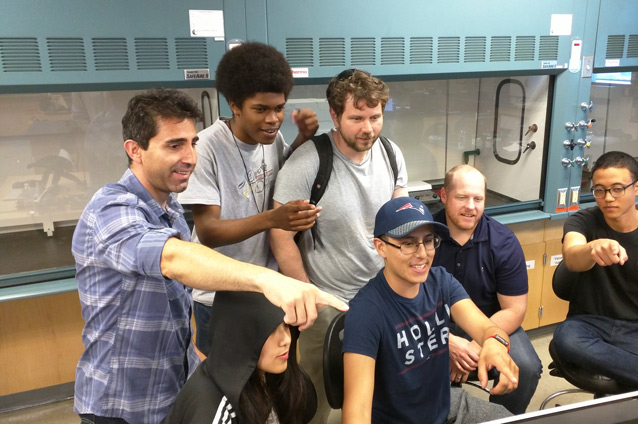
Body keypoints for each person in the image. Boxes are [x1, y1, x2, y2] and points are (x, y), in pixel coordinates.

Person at [72, 88, 347, 424]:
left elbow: (169, 308)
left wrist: (196, 358)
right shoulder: (110, 211)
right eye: (174, 145)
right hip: (122, 407)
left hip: (173, 391)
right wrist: (268, 279)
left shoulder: (169, 205)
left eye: (192, 143)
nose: (189, 157)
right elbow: (174, 259)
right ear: (135, 150)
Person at [270, 68, 408, 423]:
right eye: (357, 118)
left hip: (382, 299)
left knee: (380, 392)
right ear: (334, 115)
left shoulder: (391, 154)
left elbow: (401, 223)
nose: (368, 128)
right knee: (317, 402)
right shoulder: (308, 164)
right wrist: (308, 293)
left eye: (375, 117)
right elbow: (280, 235)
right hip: (328, 304)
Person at [178, 41, 321, 356]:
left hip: (264, 287)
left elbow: (276, 174)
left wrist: (301, 140)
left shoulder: (270, 138)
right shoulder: (206, 149)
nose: (272, 119)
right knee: (225, 389)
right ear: (234, 105)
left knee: (267, 381)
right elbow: (209, 232)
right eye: (261, 109)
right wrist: (273, 219)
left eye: (279, 108)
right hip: (219, 295)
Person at [342, 197, 517, 424]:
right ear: (381, 247)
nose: (423, 254)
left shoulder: (441, 282)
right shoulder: (366, 312)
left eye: (428, 241)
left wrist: (495, 343)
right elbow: (358, 411)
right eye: (408, 243)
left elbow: (488, 329)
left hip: (444, 408)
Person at [552, 151, 638, 390]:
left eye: (617, 189)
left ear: (637, 188)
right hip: (586, 323)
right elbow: (572, 258)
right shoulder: (582, 221)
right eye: (600, 190)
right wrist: (592, 248)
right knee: (566, 340)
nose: (608, 198)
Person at [433, 164, 542, 414]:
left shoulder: (503, 242)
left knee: (525, 367)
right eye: (462, 197)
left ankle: (502, 418)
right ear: (444, 196)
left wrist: (478, 343)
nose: (471, 206)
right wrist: (445, 341)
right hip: (433, 323)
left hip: (492, 321)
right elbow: (405, 301)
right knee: (411, 365)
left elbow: (514, 310)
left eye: (478, 199)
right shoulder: (424, 236)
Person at [164, 291, 316, 424]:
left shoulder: (269, 376)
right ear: (241, 337)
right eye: (270, 331)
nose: (286, 340)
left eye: (285, 325)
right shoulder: (212, 409)